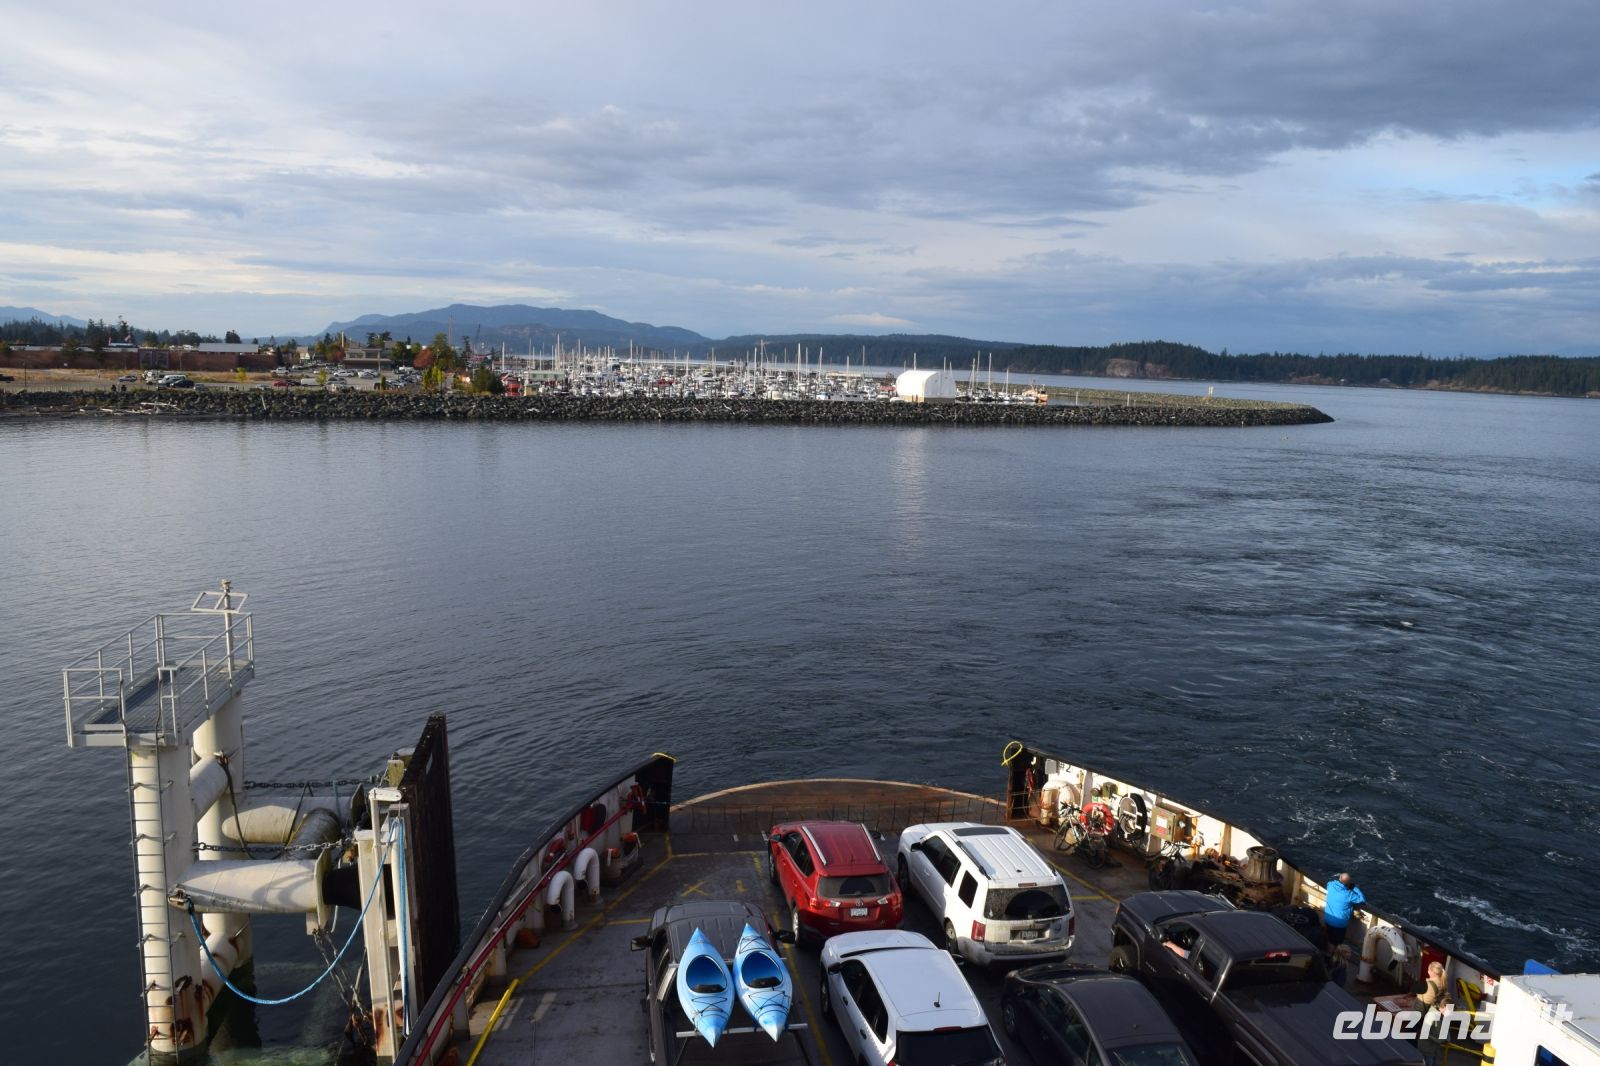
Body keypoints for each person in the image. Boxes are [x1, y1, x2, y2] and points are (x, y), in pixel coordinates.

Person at [1323, 872, 1365, 955]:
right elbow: (1362, 899)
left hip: (1328, 919)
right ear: (1348, 883)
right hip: (1339, 924)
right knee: (1337, 944)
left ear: (1339, 878)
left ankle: (1328, 955)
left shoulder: (1331, 886)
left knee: (1330, 939)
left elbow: (1328, 883)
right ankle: (1333, 958)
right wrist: (1355, 888)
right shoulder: (1349, 894)